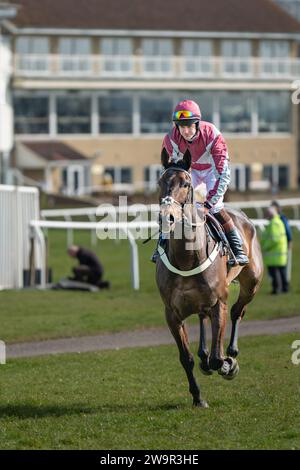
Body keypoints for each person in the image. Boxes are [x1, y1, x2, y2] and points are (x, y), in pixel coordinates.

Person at [152, 99, 249, 265]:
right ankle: (161, 244)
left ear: (197, 123)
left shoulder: (212, 135)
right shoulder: (171, 139)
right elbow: (171, 172)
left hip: (214, 170)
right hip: (191, 170)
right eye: (182, 126)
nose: (186, 131)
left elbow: (222, 175)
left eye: (190, 125)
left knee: (216, 207)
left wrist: (208, 205)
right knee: (173, 205)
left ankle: (237, 249)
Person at [261, 207, 288, 294]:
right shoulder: (278, 221)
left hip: (274, 253)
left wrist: (264, 247)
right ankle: (284, 288)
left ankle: (276, 289)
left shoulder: (274, 223)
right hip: (279, 252)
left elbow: (274, 239)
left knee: (274, 273)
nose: (266, 215)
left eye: (267, 213)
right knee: (281, 272)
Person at [271, 200, 292, 290]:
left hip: (281, 247)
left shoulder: (282, 218)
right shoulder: (274, 218)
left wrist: (290, 242)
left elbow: (288, 231)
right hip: (274, 248)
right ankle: (279, 287)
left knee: (282, 268)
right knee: (276, 269)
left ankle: (285, 287)